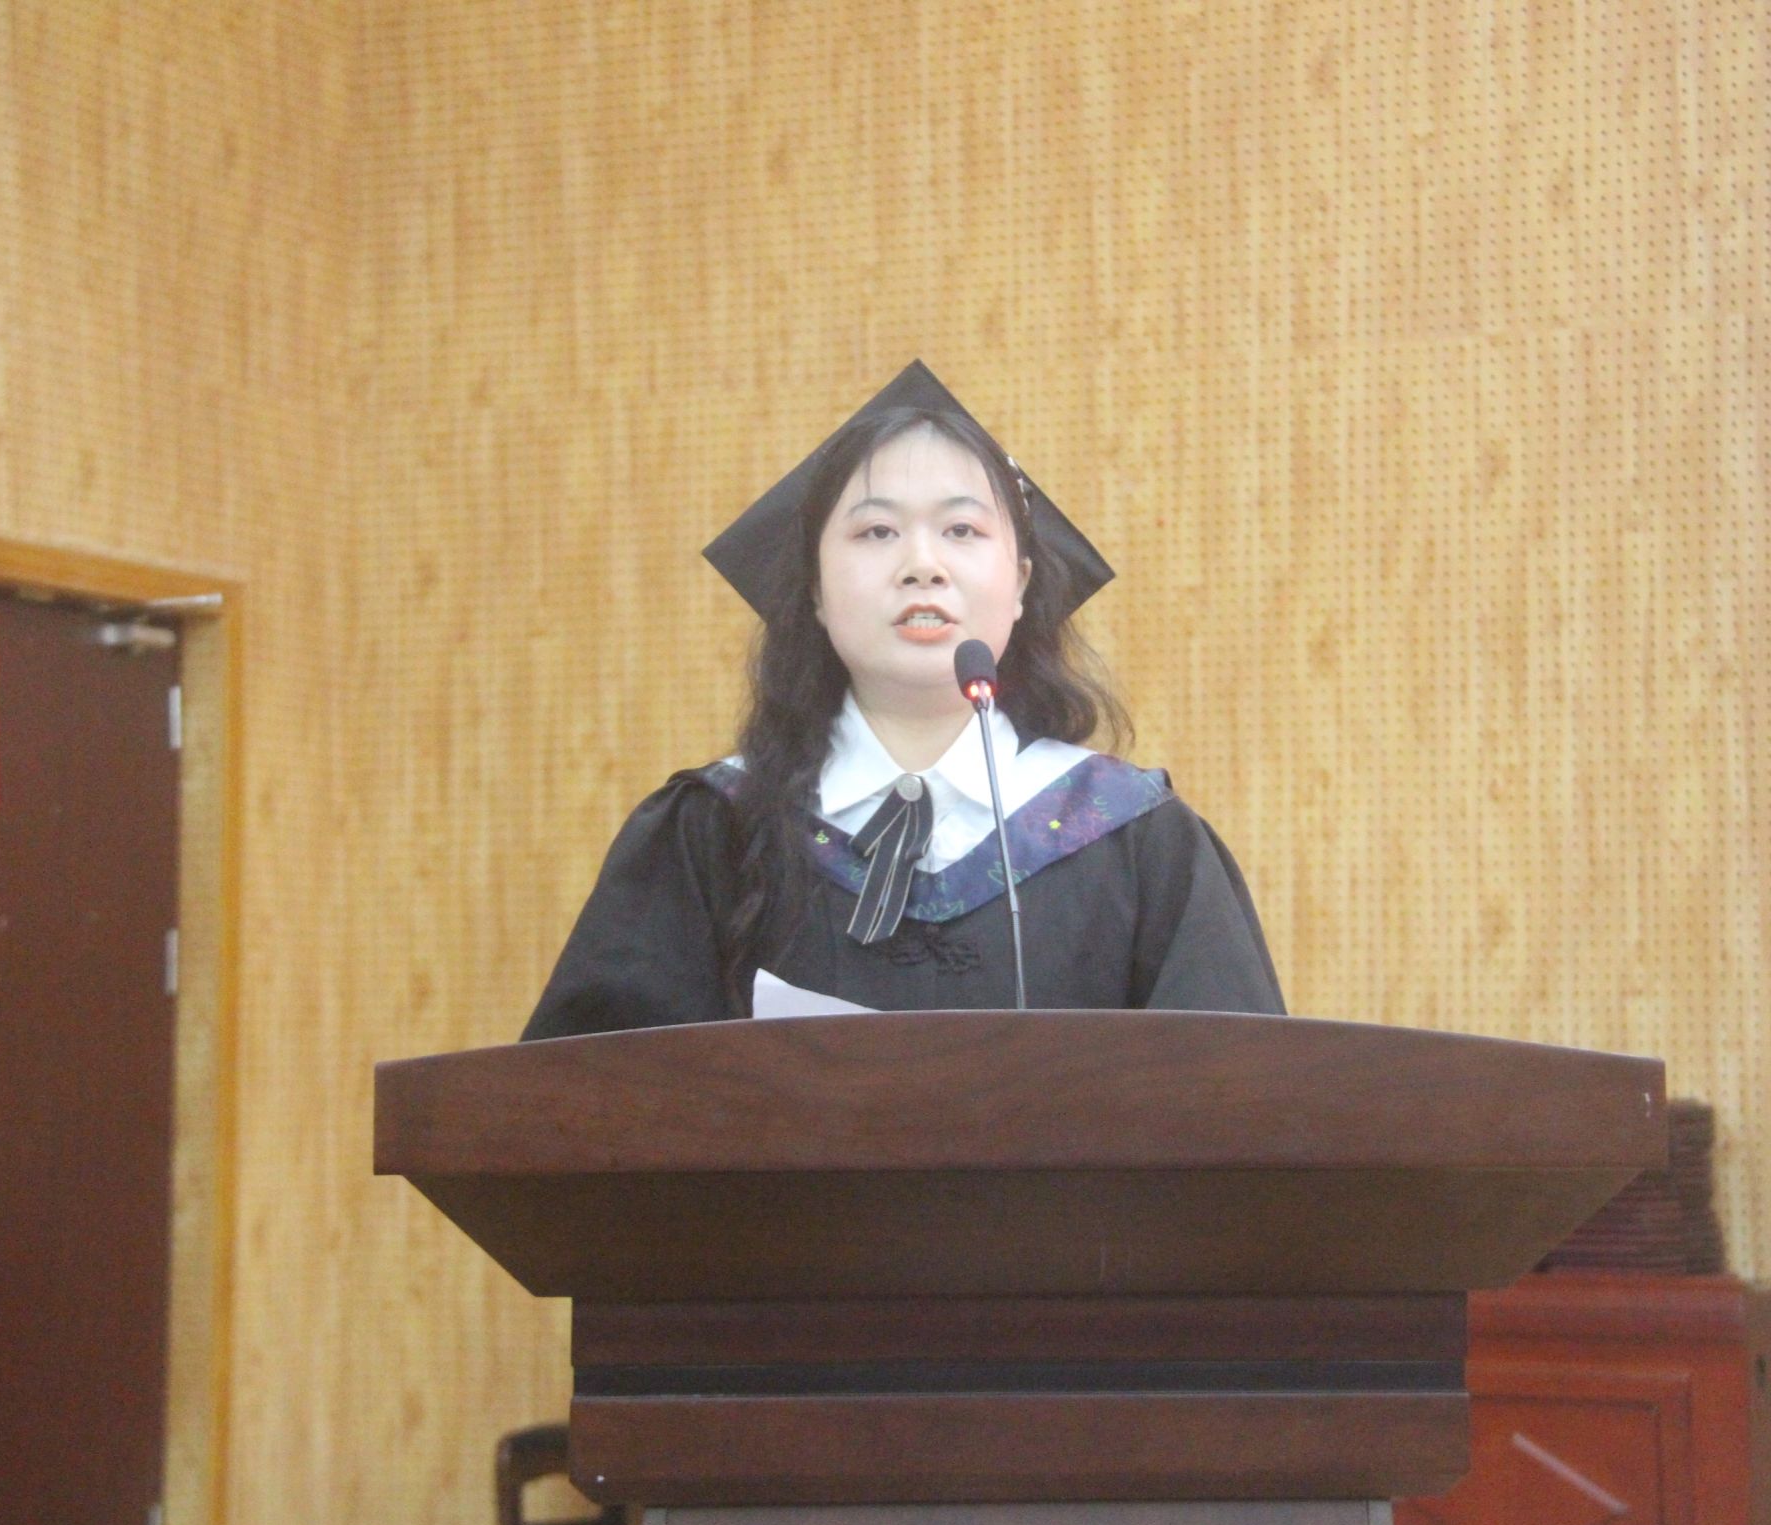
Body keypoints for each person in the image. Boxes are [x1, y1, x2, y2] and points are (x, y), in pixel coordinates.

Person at [521, 361, 1284, 1040]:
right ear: (814, 590)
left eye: (961, 529)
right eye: (877, 531)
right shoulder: (711, 833)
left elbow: (1232, 1107)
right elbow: (589, 1108)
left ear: (1021, 583)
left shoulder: (1135, 842)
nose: (923, 564)